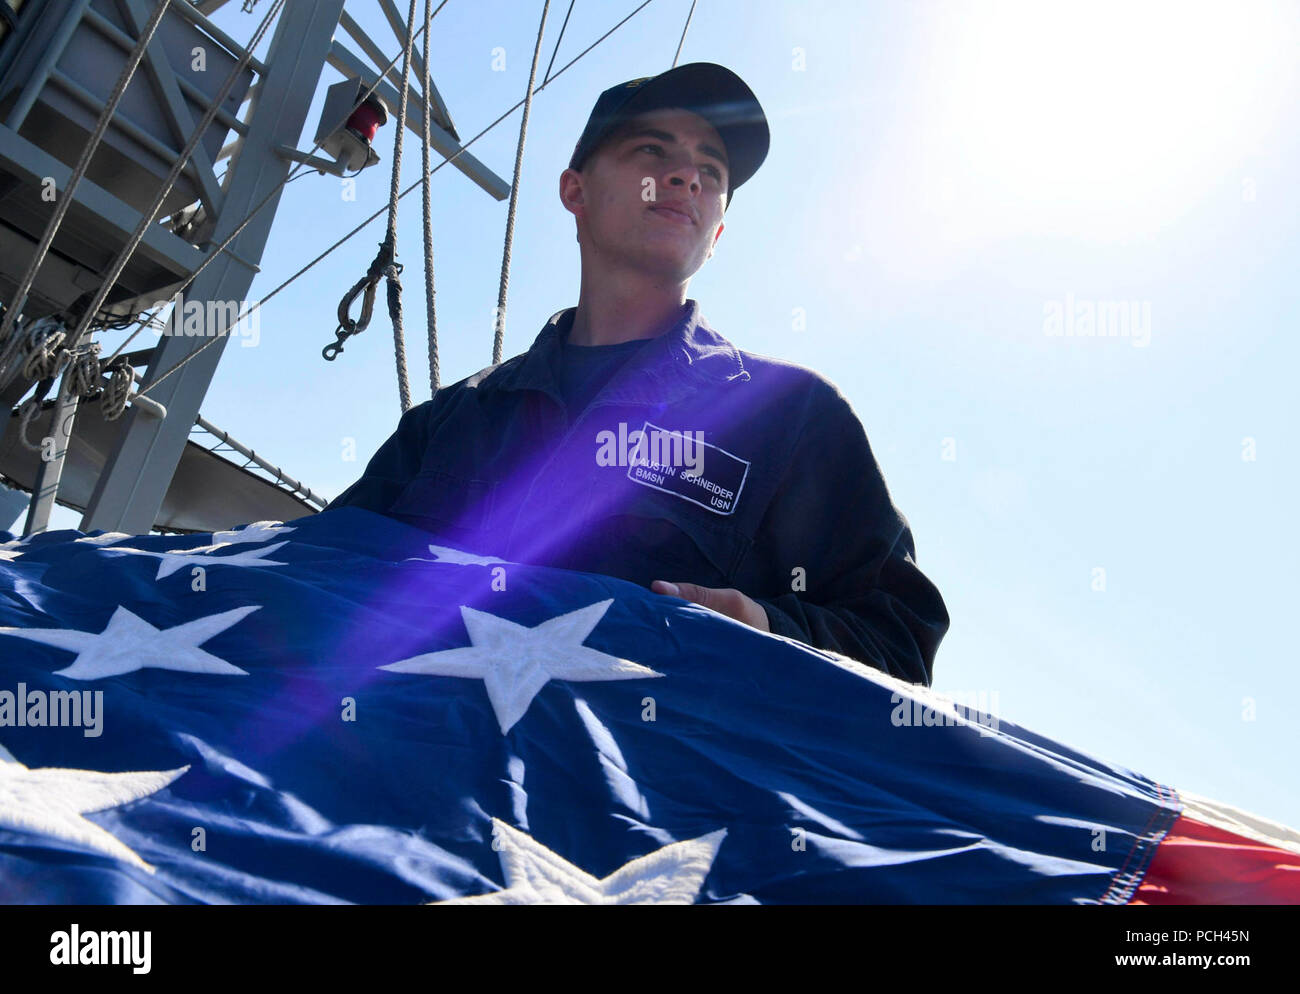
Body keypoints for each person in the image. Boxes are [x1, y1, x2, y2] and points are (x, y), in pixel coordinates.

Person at [325, 63, 949, 685]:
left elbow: (898, 647)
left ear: (718, 232)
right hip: (413, 762)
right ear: (575, 191)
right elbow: (314, 575)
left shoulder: (793, 417)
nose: (686, 177)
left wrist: (766, 630)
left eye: (711, 171)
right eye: (652, 150)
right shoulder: (451, 419)